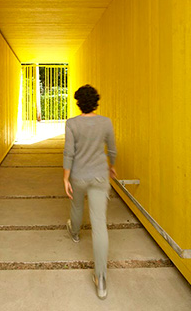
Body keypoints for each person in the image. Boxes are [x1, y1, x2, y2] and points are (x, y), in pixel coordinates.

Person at [63, 84, 118, 300]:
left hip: (78, 175)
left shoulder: (72, 124)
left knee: (76, 205)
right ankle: (101, 278)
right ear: (96, 101)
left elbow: (69, 152)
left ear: (78, 103)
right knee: (99, 224)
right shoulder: (105, 122)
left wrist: (65, 177)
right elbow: (111, 149)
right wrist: (111, 165)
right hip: (99, 176)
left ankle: (75, 233)